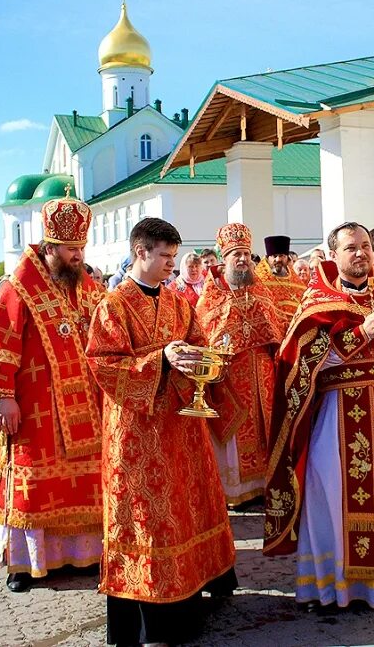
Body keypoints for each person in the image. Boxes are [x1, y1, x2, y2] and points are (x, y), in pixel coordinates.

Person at [264, 222, 374, 611]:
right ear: (334, 256)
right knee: (331, 496)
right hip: (333, 420)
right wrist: (361, 332)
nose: (360, 253)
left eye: (365, 246)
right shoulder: (316, 302)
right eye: (350, 248)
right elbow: (298, 365)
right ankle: (335, 587)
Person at [86, 217, 236, 645]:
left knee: (184, 509)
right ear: (141, 252)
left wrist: (201, 359)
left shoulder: (178, 303)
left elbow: (196, 346)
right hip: (136, 431)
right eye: (165, 257)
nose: (172, 265)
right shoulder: (112, 305)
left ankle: (189, 599)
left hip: (180, 424)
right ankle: (151, 619)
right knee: (147, 520)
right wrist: (162, 360)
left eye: (174, 256)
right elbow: (103, 364)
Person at [0, 193, 104, 592]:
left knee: (84, 482)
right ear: (51, 246)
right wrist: (4, 395)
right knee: (33, 485)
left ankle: (83, 554)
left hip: (84, 407)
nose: (78, 256)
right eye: (71, 249)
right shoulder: (20, 286)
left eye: (81, 248)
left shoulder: (87, 285)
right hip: (35, 405)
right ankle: (24, 565)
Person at [197, 224, 283, 506]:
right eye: (236, 254)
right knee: (237, 436)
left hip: (263, 372)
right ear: (225, 259)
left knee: (265, 429)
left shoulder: (261, 292)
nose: (243, 259)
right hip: (231, 377)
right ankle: (237, 492)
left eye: (246, 253)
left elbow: (276, 328)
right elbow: (205, 332)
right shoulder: (211, 297)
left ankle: (266, 485)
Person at [255, 235, 306, 331]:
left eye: (282, 256)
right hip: (270, 331)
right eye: (274, 256)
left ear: (287, 258)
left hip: (294, 331)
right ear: (267, 257)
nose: (278, 259)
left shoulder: (296, 281)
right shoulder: (259, 279)